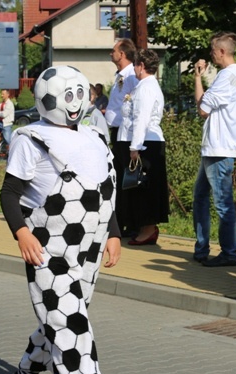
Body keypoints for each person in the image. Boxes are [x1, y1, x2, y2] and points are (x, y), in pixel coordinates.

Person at [0, 65, 121, 374]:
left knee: (60, 321)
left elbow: (106, 192)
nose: (73, 104)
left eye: (79, 95)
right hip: (47, 249)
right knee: (72, 327)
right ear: (45, 98)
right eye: (66, 96)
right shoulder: (30, 138)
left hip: (90, 249)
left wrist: (114, 232)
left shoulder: (95, 137)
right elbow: (9, 193)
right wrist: (21, 232)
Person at [192, 31, 236, 267]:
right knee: (200, 197)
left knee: (222, 203)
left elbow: (203, 109)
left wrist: (197, 78)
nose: (211, 54)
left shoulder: (226, 77)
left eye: (213, 50)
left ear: (222, 52)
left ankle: (229, 253)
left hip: (219, 148)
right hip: (216, 147)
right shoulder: (235, 75)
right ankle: (202, 247)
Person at [117, 49, 169, 245]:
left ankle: (148, 229)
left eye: (136, 65)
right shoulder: (144, 85)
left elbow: (142, 119)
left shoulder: (146, 88)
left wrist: (135, 147)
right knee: (138, 188)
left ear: (141, 66)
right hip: (145, 142)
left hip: (146, 143)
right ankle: (142, 226)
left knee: (145, 188)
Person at [105, 38, 139, 236]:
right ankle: (122, 220)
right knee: (117, 176)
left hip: (126, 133)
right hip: (117, 132)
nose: (111, 54)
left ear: (123, 54)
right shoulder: (121, 75)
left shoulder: (131, 77)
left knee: (127, 178)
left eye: (114, 51)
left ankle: (129, 222)